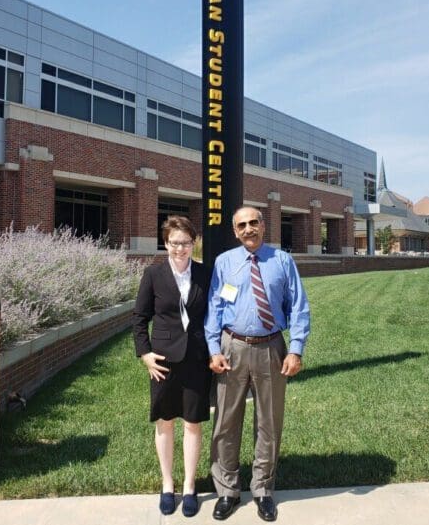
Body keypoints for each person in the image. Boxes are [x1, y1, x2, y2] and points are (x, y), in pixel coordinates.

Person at [205, 206, 311, 522]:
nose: (249, 229)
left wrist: (295, 349)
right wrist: (214, 349)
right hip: (232, 347)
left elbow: (299, 307)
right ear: (235, 231)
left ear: (263, 226)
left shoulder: (282, 262)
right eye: (242, 225)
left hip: (270, 348)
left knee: (269, 422)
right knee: (226, 421)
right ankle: (228, 490)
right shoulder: (225, 262)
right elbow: (215, 306)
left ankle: (263, 489)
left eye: (254, 222)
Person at [132, 216, 212, 517]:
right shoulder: (153, 274)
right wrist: (145, 354)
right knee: (164, 422)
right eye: (175, 242)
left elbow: (213, 314)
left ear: (193, 244)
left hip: (196, 358)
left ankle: (190, 486)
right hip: (162, 361)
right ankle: (168, 485)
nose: (180, 248)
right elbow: (140, 318)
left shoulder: (205, 273)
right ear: (166, 243)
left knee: (192, 423)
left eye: (186, 242)